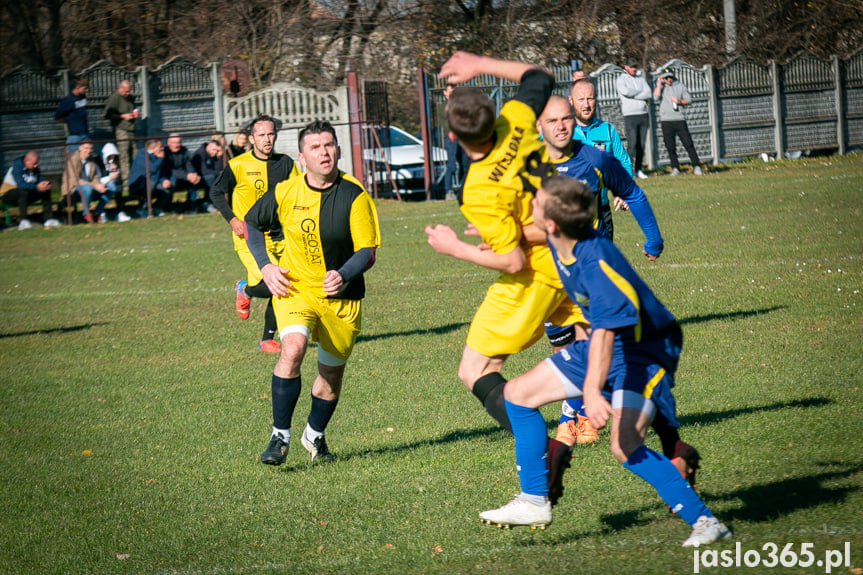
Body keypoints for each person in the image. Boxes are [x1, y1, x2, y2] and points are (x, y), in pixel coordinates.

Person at [478, 175, 733, 548]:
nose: (529, 207)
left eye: (535, 204)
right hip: (607, 343)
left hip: (645, 350)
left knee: (624, 444)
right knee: (517, 395)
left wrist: (593, 393)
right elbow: (522, 239)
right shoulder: (561, 235)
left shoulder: (595, 264)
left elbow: (604, 333)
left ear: (551, 222)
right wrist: (472, 241)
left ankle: (706, 522)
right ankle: (534, 500)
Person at [424, 51, 582, 506]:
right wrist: (476, 62)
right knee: (595, 348)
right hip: (571, 253)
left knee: (476, 370)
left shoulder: (476, 189)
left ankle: (546, 456)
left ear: (452, 136)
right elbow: (540, 76)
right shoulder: (515, 118)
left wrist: (458, 249)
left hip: (535, 274)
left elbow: (512, 261)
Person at [244, 120, 381, 465]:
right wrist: (266, 266)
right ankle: (280, 436)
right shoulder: (286, 191)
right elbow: (251, 224)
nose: (324, 152)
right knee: (292, 349)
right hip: (296, 290)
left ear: (337, 149)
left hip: (342, 298)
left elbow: (367, 251)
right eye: (315, 147)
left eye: (329, 145)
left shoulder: (355, 195)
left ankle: (314, 434)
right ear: (302, 157)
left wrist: (344, 273)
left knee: (330, 376)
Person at [210, 114, 300, 353]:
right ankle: (245, 290)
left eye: (270, 134)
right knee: (273, 285)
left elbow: (298, 194)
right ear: (251, 138)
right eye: (261, 135)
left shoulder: (286, 164)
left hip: (280, 235)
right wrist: (232, 219)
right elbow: (216, 193)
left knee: (284, 285)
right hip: (248, 236)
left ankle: (267, 340)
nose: (267, 139)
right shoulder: (238, 165)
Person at [569, 79, 632, 241]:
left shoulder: (608, 130)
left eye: (590, 98)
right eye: (581, 99)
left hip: (601, 212)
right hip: (568, 213)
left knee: (604, 265)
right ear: (571, 100)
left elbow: (623, 163)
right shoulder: (561, 130)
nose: (586, 105)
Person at [654, 68, 703, 176]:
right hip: (666, 121)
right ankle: (675, 168)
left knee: (688, 144)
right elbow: (655, 97)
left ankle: (696, 166)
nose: (669, 79)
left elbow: (689, 100)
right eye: (666, 77)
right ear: (663, 78)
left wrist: (679, 102)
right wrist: (659, 84)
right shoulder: (660, 87)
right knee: (670, 146)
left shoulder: (680, 86)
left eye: (670, 77)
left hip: (679, 119)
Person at [61, 139, 116, 224]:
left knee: (111, 187)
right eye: (86, 148)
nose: (89, 151)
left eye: (90, 148)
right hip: (72, 191)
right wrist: (94, 186)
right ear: (80, 148)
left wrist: (99, 185)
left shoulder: (91, 160)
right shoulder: (72, 160)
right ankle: (86, 215)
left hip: (89, 189)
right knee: (87, 188)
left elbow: (94, 177)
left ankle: (97, 212)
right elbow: (74, 180)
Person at [0, 151, 60, 230]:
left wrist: (44, 184)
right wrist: (37, 187)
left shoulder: (34, 168)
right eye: (34, 163)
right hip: (7, 195)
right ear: (26, 161)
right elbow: (21, 184)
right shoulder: (16, 167)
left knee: (45, 191)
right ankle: (24, 221)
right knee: (23, 191)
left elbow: (39, 181)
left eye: (37, 163)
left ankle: (48, 219)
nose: (36, 166)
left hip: (25, 195)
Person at [616, 58, 653, 180]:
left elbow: (649, 94)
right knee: (632, 144)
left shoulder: (641, 79)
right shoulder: (621, 80)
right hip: (630, 116)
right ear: (626, 67)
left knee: (641, 145)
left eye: (635, 66)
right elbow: (625, 92)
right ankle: (628, 170)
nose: (634, 69)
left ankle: (638, 170)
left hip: (643, 115)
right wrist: (640, 93)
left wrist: (635, 94)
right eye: (632, 67)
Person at [104, 79, 140, 190]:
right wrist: (122, 116)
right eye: (126, 91)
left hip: (131, 129)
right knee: (124, 156)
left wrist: (135, 113)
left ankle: (137, 179)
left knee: (136, 155)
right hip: (121, 129)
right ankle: (126, 183)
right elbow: (107, 115)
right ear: (120, 89)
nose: (128, 94)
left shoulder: (130, 98)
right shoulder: (114, 98)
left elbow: (133, 107)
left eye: (129, 91)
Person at [441, 83, 470, 200]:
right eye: (450, 91)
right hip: (451, 138)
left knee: (465, 164)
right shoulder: (443, 106)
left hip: (462, 138)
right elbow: (445, 123)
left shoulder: (460, 106)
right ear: (445, 93)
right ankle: (448, 191)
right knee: (451, 165)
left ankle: (464, 190)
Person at [160, 133, 202, 213]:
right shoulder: (165, 152)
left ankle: (191, 205)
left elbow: (189, 164)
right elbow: (169, 170)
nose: (176, 145)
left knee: (195, 181)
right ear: (168, 143)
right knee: (173, 180)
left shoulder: (184, 151)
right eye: (173, 143)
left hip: (183, 177)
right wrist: (187, 176)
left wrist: (193, 174)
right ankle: (168, 206)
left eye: (178, 143)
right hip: (168, 177)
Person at [128, 138, 168, 217]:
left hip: (153, 182)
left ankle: (156, 208)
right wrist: (160, 158)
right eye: (160, 147)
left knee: (166, 188)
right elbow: (152, 169)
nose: (162, 149)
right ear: (153, 148)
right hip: (138, 184)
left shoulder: (156, 155)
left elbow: (160, 172)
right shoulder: (142, 154)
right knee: (150, 184)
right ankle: (142, 209)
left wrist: (164, 180)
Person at [191, 136, 224, 213]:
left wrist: (219, 157)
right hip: (197, 178)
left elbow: (218, 169)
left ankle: (214, 202)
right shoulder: (201, 153)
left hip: (207, 177)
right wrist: (219, 173)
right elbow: (204, 171)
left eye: (217, 150)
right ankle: (207, 202)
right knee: (212, 178)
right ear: (208, 147)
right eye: (214, 150)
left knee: (217, 177)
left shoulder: (212, 154)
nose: (215, 152)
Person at [54, 77, 90, 148]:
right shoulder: (68, 100)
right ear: (77, 87)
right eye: (84, 88)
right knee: (75, 157)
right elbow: (58, 117)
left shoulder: (83, 97)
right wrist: (70, 121)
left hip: (85, 133)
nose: (87, 90)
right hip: (75, 135)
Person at [99, 142, 130, 222]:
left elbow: (116, 180)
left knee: (118, 186)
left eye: (114, 156)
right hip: (100, 185)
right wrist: (110, 177)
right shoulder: (99, 164)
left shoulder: (115, 163)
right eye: (110, 157)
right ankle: (101, 213)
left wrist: (114, 170)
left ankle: (120, 212)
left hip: (112, 185)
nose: (112, 158)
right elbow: (98, 180)